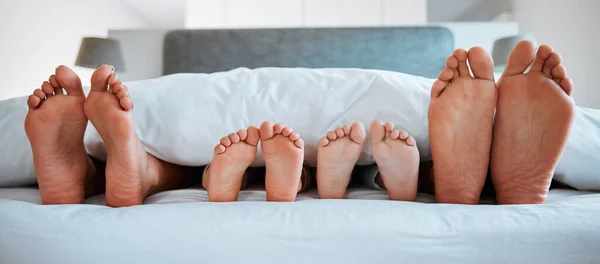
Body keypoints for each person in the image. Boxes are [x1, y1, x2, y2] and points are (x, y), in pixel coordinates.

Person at [25, 40, 573, 207]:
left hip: (192, 151)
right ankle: (456, 184)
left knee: (216, 151)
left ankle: (130, 171)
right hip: (375, 147)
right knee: (376, 142)